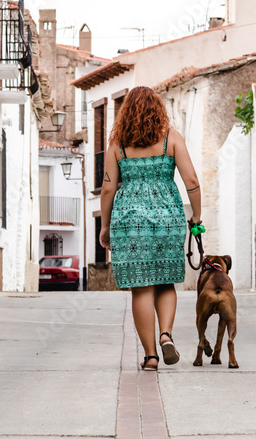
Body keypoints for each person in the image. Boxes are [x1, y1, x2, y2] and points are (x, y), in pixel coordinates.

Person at [99, 86, 202, 371]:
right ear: (159, 110)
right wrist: (197, 217)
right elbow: (191, 180)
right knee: (166, 281)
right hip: (167, 219)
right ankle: (166, 334)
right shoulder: (172, 138)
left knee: (141, 288)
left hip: (130, 222)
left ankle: (151, 356)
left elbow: (108, 188)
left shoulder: (117, 144)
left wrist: (105, 226)